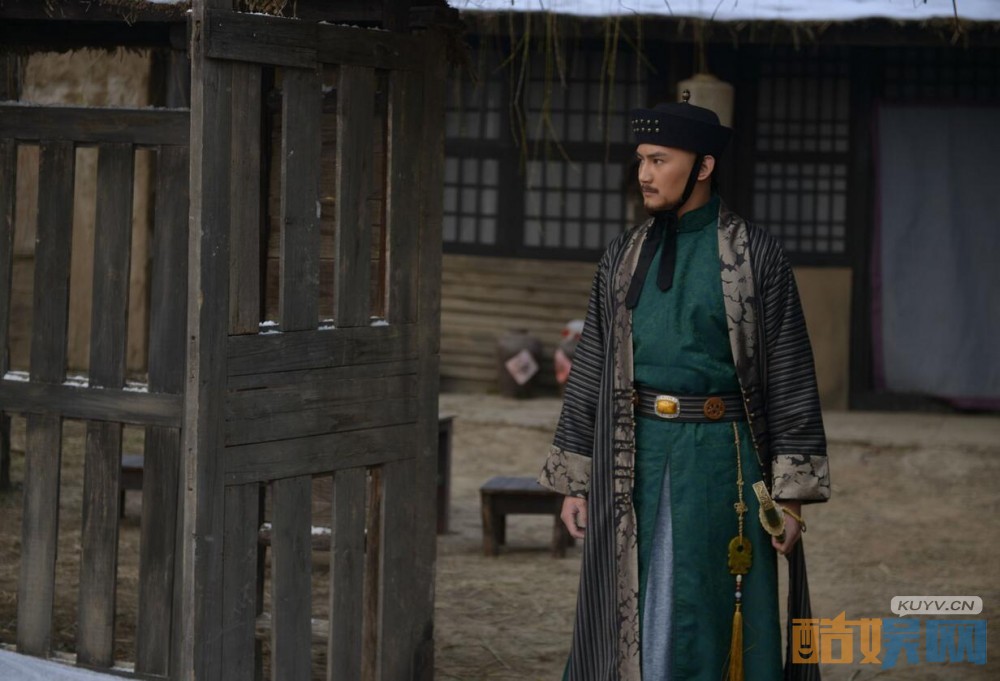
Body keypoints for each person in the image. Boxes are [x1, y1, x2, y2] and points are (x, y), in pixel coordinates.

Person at [539, 100, 831, 681]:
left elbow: (790, 372)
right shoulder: (622, 256)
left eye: (659, 160)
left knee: (711, 606)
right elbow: (592, 366)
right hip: (633, 458)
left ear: (703, 166)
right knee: (633, 604)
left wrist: (792, 497)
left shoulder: (753, 255)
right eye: (641, 160)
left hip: (725, 464)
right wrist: (576, 481)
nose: (644, 174)